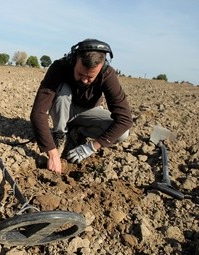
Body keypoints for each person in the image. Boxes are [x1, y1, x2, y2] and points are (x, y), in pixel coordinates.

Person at [30, 39, 133, 174]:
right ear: (74, 60)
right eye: (80, 74)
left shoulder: (107, 74)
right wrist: (52, 152)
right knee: (63, 92)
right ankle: (59, 134)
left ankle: (79, 132)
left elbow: (125, 119)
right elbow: (38, 112)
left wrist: (91, 147)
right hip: (62, 108)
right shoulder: (59, 67)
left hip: (89, 112)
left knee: (123, 134)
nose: (84, 80)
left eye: (90, 77)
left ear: (102, 67)